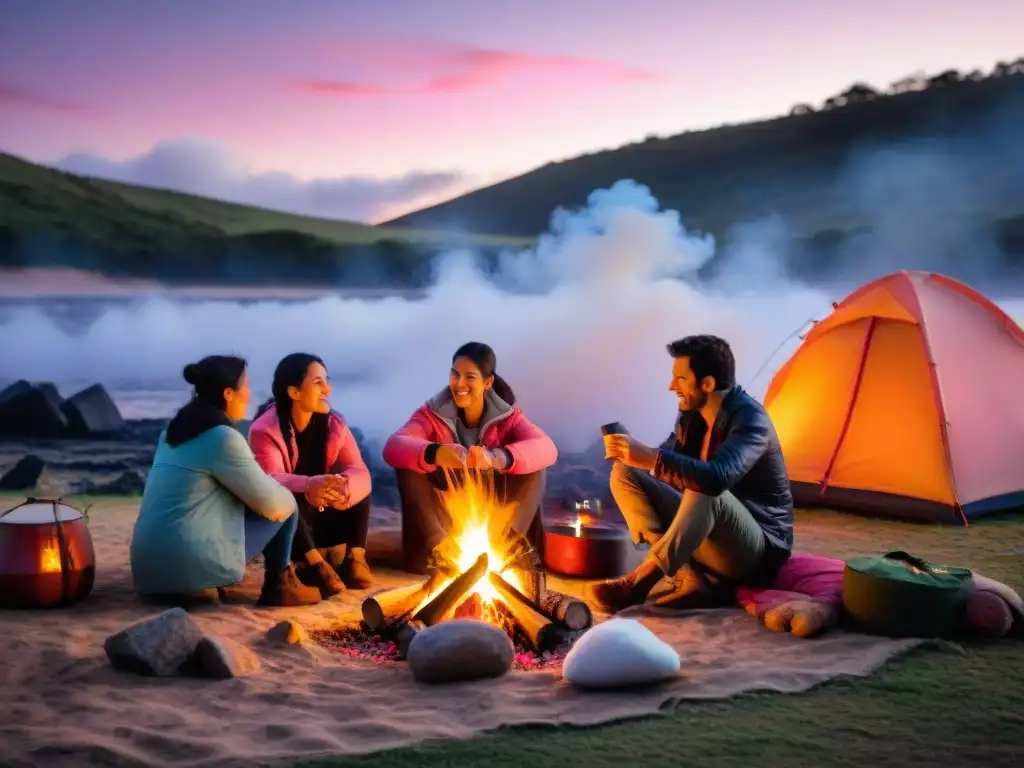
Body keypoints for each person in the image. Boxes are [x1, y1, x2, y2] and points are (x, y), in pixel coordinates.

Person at [589, 334, 794, 613]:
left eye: (681, 379)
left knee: (707, 488)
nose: (672, 386)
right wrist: (633, 455)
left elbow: (715, 477)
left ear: (707, 383)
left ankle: (641, 581)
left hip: (755, 553)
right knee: (625, 472)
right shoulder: (692, 415)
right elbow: (670, 467)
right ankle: (687, 576)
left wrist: (652, 458)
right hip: (705, 529)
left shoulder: (751, 420)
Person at [130, 355, 322, 607]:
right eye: (246, 386)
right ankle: (281, 585)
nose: (250, 394)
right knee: (287, 506)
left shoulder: (172, 433)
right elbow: (274, 506)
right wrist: (284, 485)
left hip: (147, 572)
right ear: (229, 393)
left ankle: (268, 581)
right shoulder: (223, 438)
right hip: (186, 567)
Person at [382, 342, 558, 573]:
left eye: (470, 377)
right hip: (447, 513)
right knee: (409, 462)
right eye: (455, 374)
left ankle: (507, 547)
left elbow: (547, 448)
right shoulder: (432, 414)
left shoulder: (509, 417)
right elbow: (394, 446)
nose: (460, 383)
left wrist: (497, 457)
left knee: (534, 466)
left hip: (494, 516)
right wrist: (436, 453)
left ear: (488, 382)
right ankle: (441, 549)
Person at [249, 353, 374, 592]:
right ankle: (315, 565)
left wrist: (342, 488)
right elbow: (268, 480)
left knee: (357, 485)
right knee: (284, 498)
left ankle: (355, 559)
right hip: (291, 531)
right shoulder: (264, 429)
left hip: (327, 515)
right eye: (318, 382)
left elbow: (359, 470)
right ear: (294, 392)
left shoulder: (334, 424)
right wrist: (309, 485)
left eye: (327, 380)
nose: (328, 388)